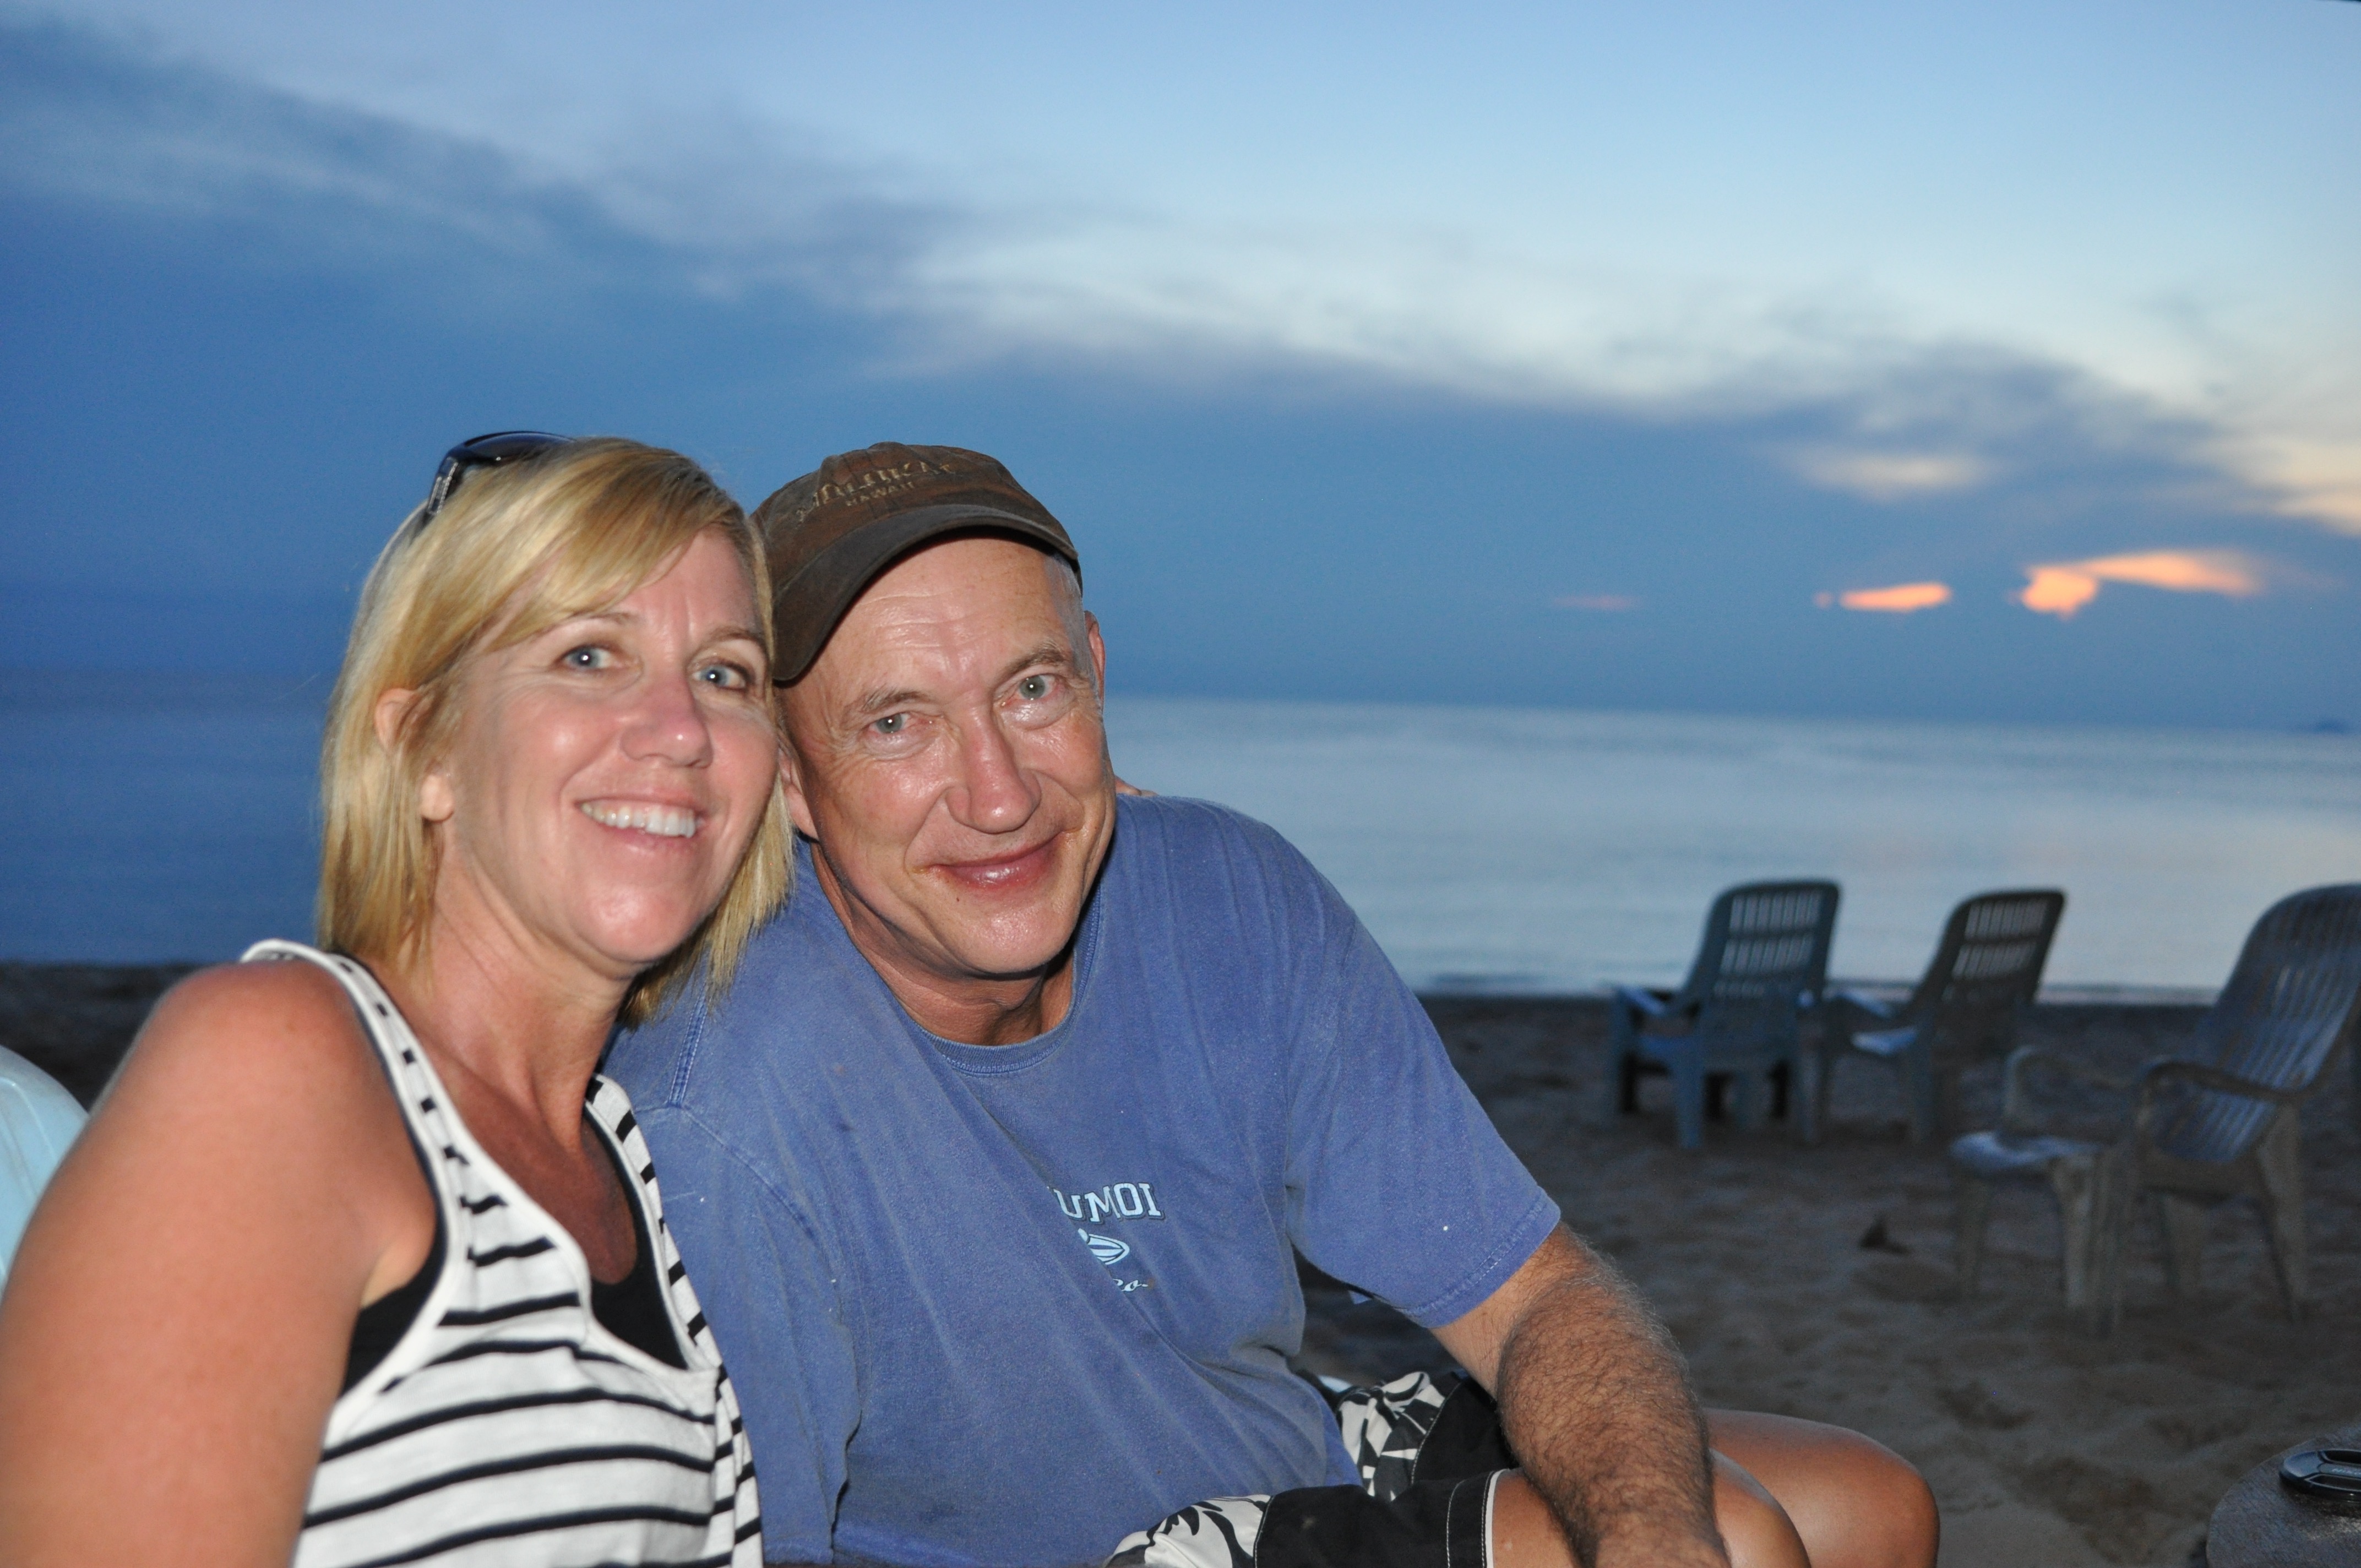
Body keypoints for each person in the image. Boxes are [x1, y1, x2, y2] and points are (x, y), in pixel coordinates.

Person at [607, 443, 1940, 1568]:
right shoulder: (729, 1090)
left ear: (1095, 672)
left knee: (1867, 1505)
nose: (999, 793)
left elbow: (1535, 1295)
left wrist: (1652, 1538)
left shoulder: (1227, 893)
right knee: (1747, 1537)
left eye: (1031, 689)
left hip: (1284, 1449)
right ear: (788, 778)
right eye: (896, 723)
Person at [0, 435, 787, 1567]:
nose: (680, 729)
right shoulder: (275, 1071)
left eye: (725, 674)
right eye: (587, 655)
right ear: (425, 748)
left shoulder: (610, 1150)